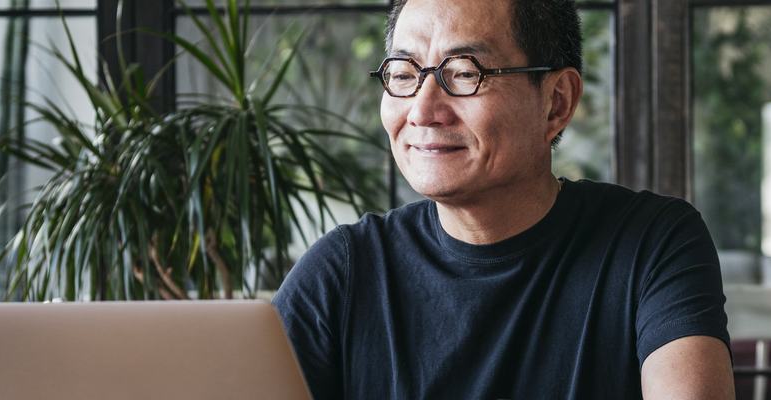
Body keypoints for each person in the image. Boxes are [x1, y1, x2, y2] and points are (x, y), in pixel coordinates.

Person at [272, 0, 734, 398]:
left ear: (556, 102)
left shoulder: (651, 243)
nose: (423, 110)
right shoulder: (345, 271)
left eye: (464, 73)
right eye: (404, 74)